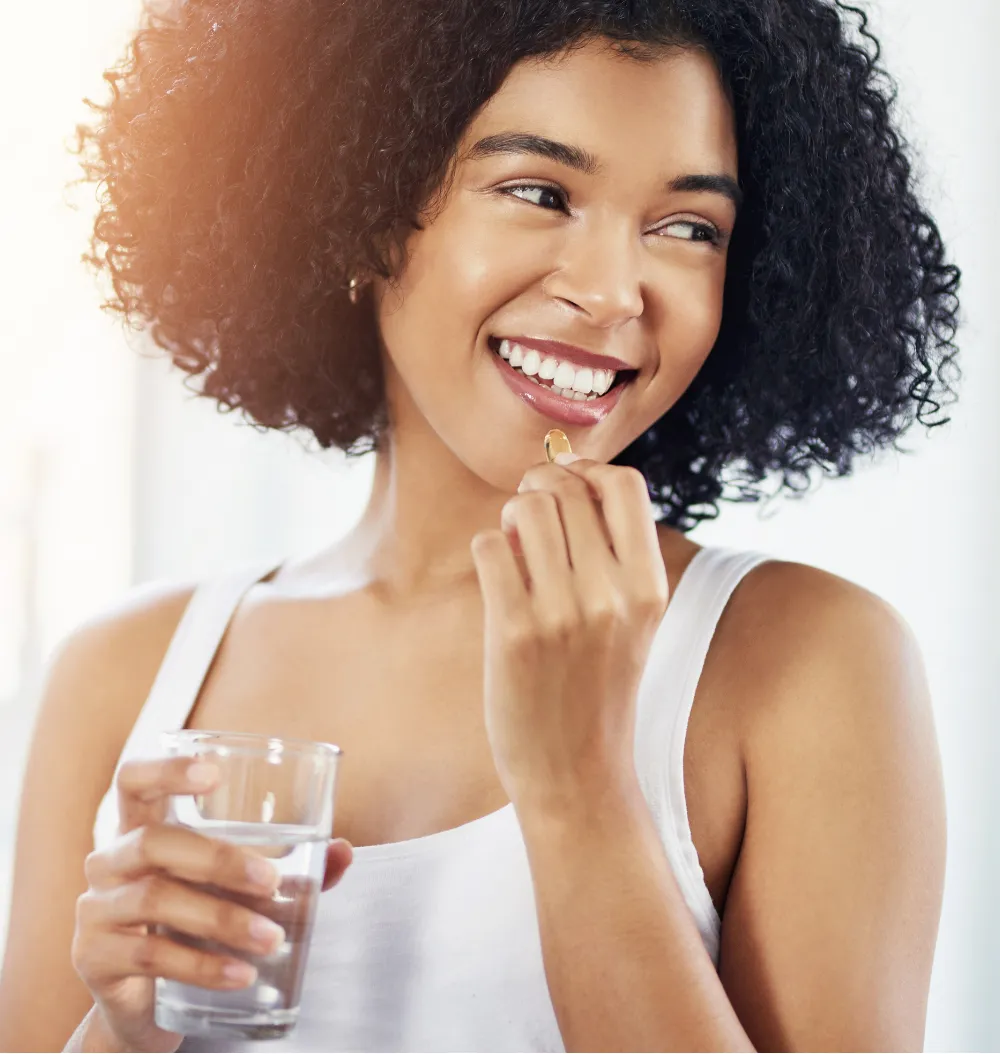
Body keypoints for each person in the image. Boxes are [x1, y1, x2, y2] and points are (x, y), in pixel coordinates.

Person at [0, 0, 957, 1050]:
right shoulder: (124, 674)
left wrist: (578, 789)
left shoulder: (806, 662)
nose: (609, 291)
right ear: (358, 212)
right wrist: (127, 1029)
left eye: (688, 226)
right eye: (538, 191)